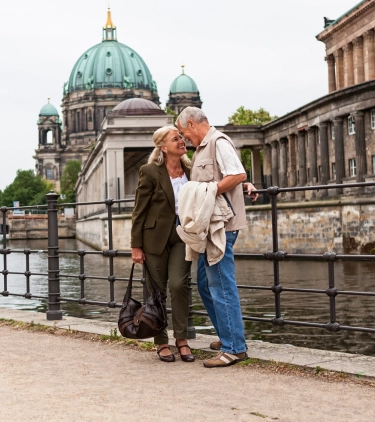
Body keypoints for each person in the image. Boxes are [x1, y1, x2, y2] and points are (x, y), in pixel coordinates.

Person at [176, 107, 259, 368]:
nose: (184, 139)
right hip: (210, 228)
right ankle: (228, 335)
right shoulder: (202, 148)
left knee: (221, 285)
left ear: (191, 123)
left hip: (222, 226)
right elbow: (231, 177)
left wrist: (214, 190)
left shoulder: (218, 141)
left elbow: (237, 173)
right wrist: (242, 185)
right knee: (205, 284)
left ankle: (234, 347)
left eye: (183, 133)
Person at [131, 125, 195, 363]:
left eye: (181, 137)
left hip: (182, 235)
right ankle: (161, 341)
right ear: (163, 146)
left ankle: (182, 339)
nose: (181, 141)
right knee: (156, 291)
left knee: (179, 285)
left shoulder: (190, 169)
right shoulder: (149, 171)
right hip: (154, 238)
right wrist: (136, 245)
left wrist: (243, 185)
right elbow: (139, 211)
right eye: (175, 138)